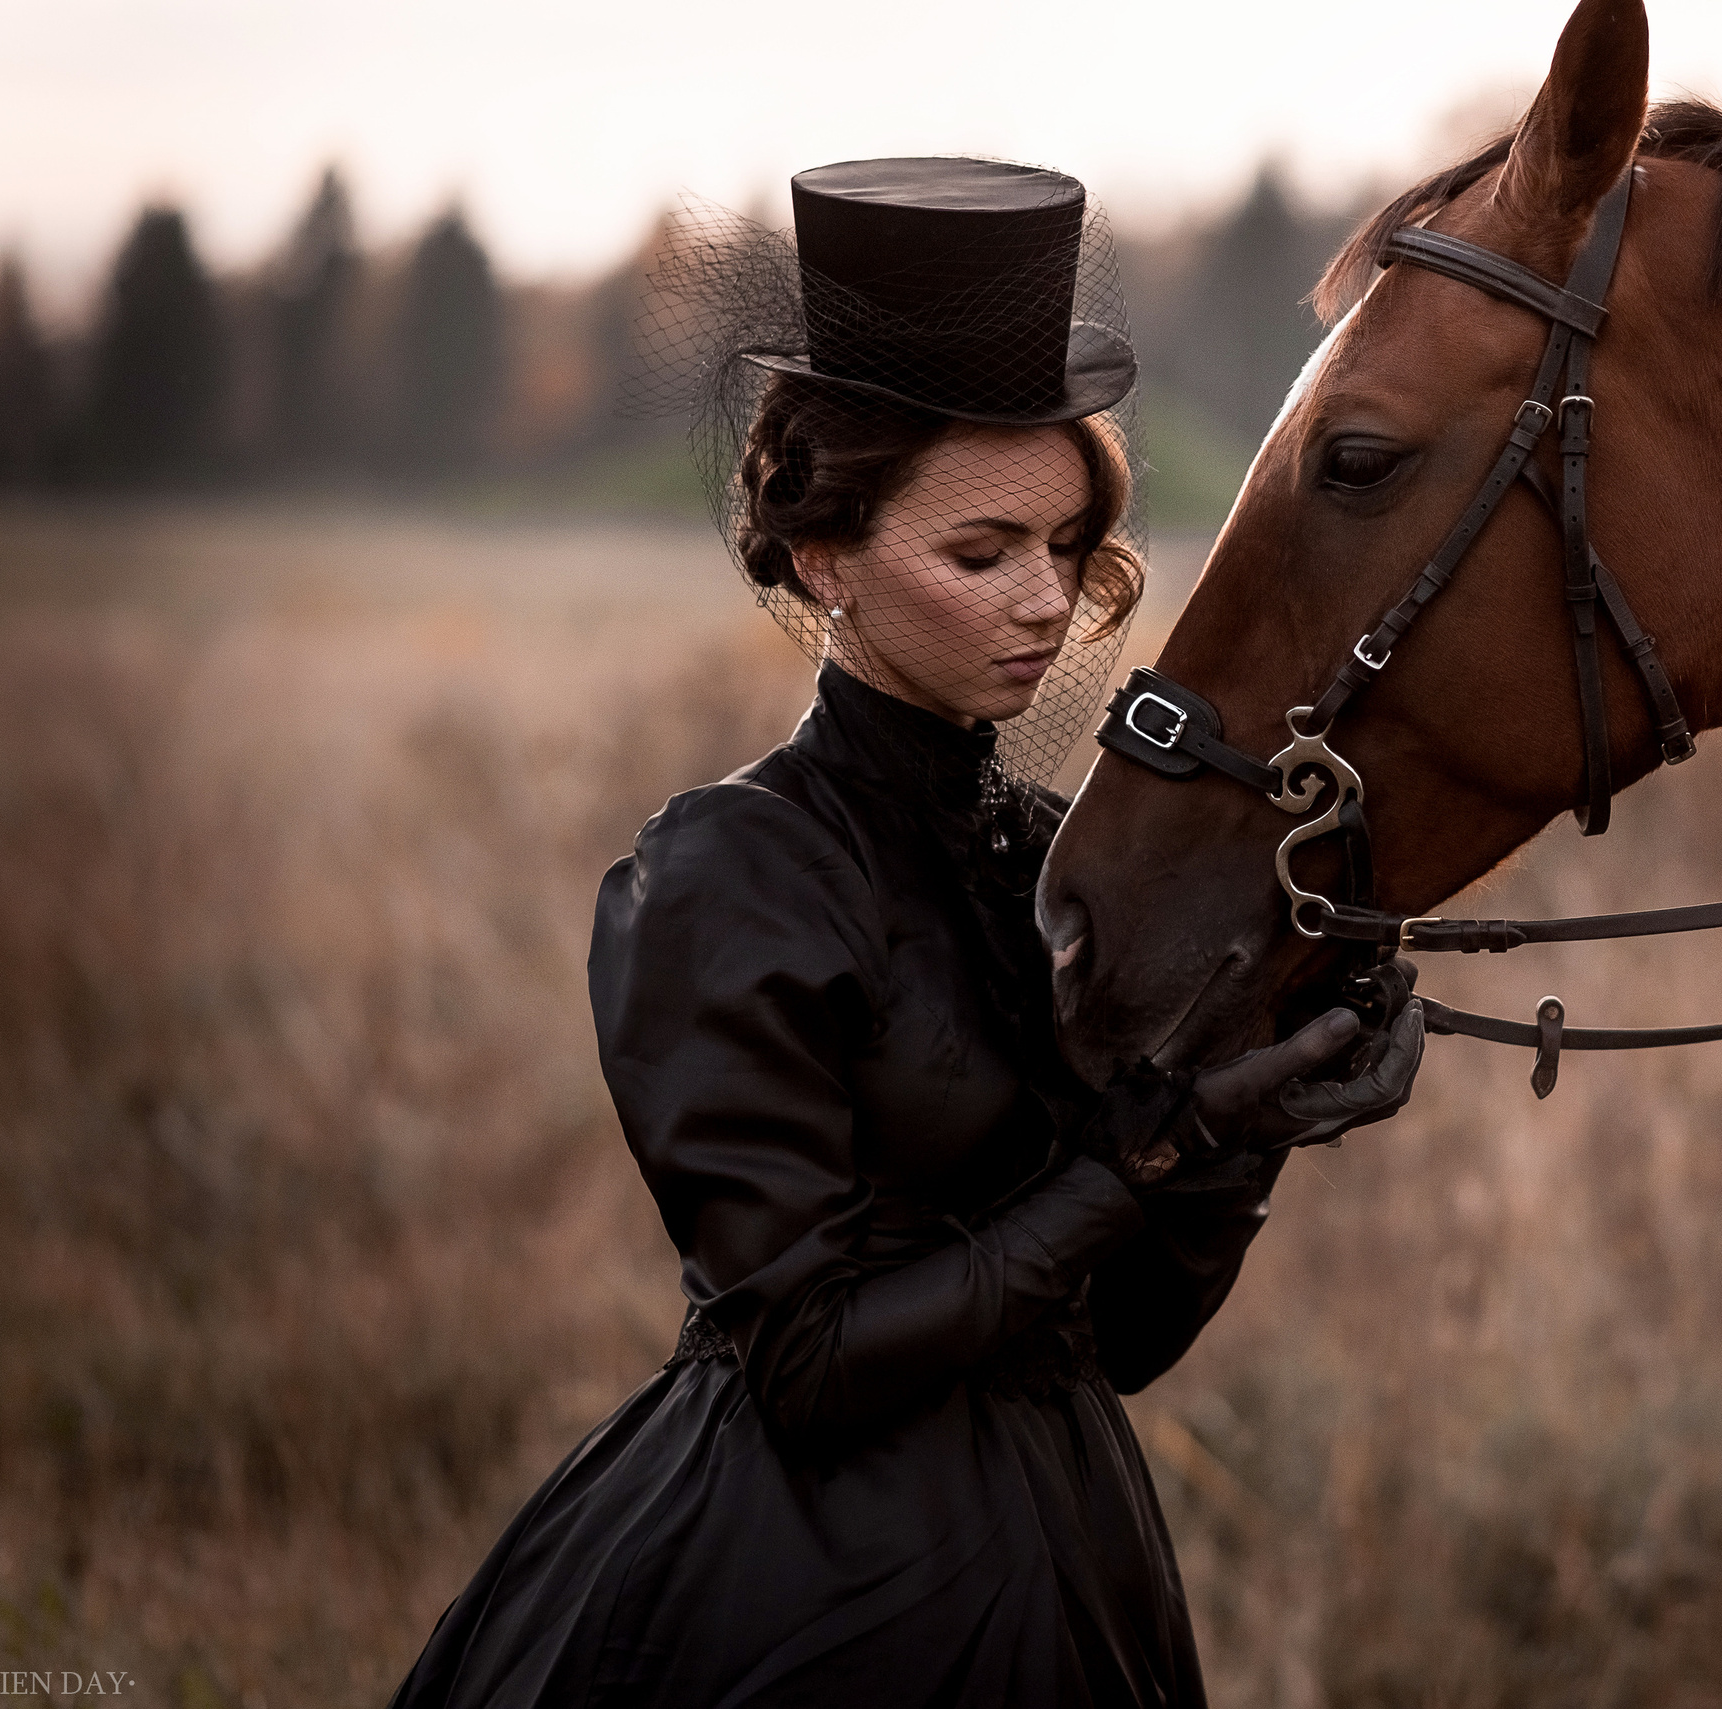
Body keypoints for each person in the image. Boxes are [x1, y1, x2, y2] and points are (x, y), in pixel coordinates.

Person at [388, 157, 1425, 1708]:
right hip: (797, 1603)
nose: (1045, 603)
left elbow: (1119, 1340)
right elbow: (808, 1365)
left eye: (1068, 547)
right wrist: (1135, 1157)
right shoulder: (730, 876)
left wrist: (1247, 1124)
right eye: (981, 550)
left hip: (1078, 1575)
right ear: (825, 559)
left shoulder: (1047, 856)